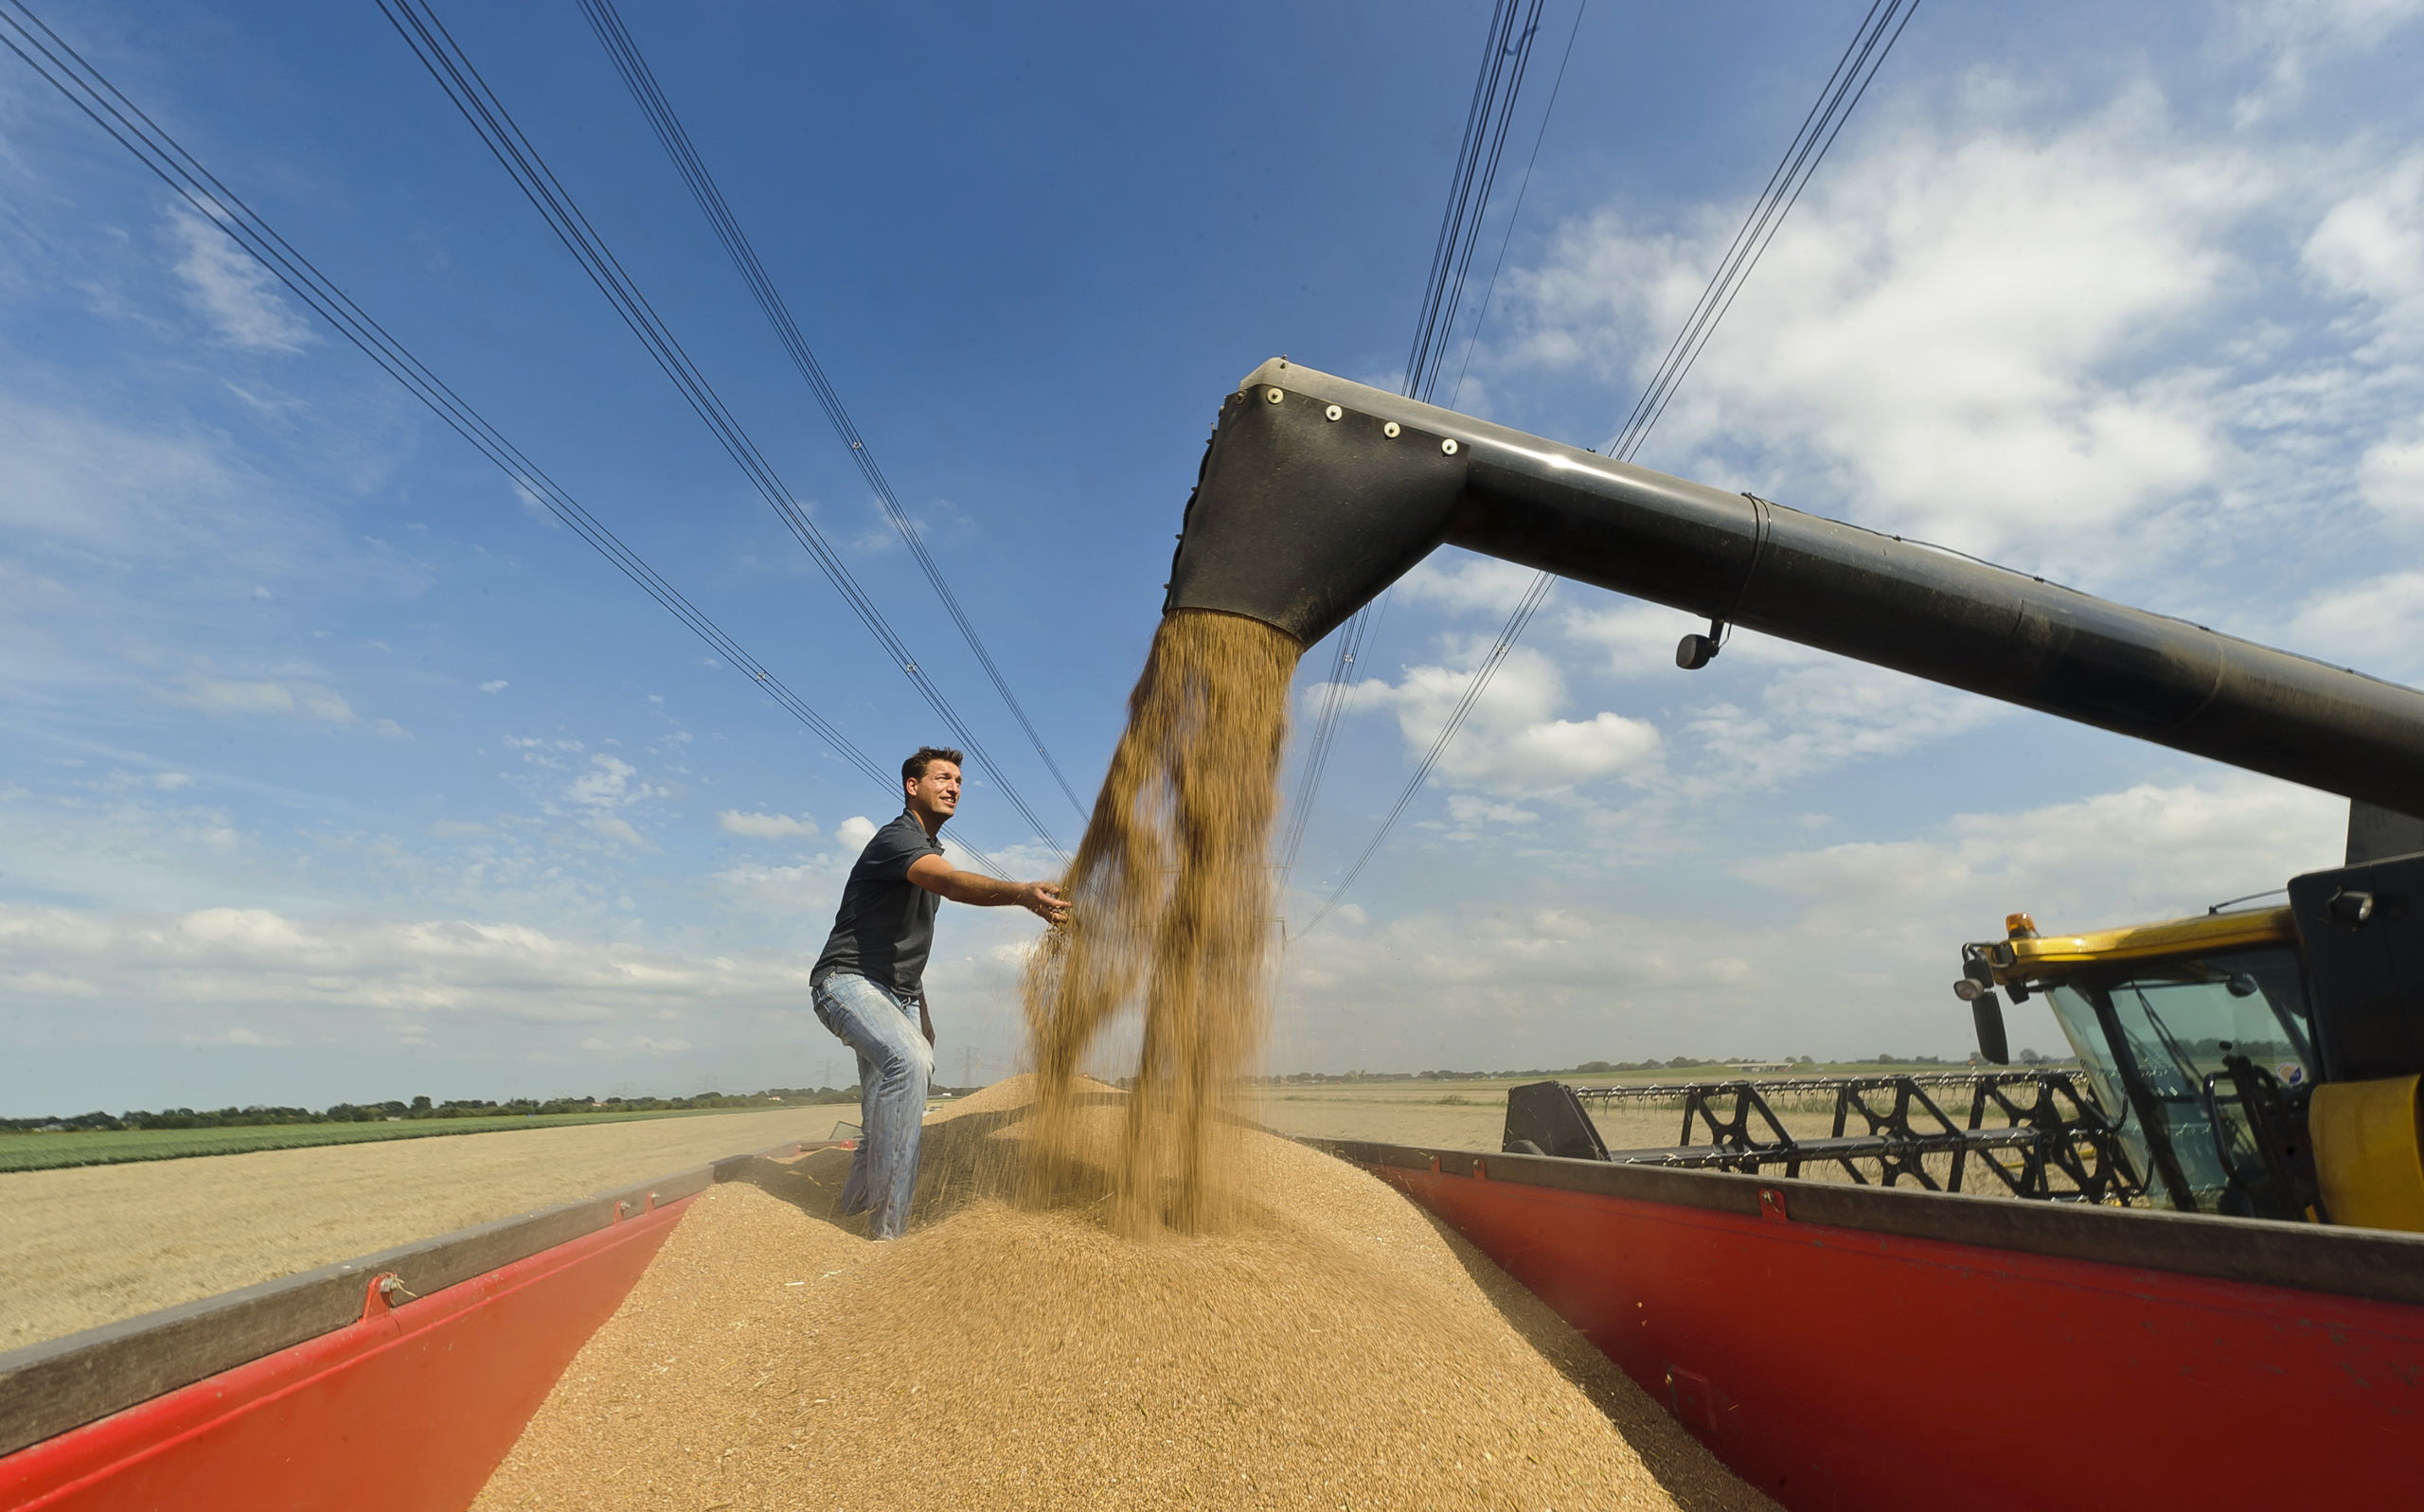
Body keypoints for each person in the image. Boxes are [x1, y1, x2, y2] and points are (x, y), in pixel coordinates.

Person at [810, 745, 1068, 1238]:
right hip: (845, 982)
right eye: (943, 778)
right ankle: (888, 1235)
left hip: (898, 994)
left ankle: (851, 1213)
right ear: (913, 786)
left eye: (959, 782)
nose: (954, 788)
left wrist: (921, 1014)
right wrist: (1020, 894)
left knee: (880, 1114)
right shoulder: (898, 839)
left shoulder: (929, 849)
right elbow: (950, 884)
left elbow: (905, 947)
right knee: (910, 1064)